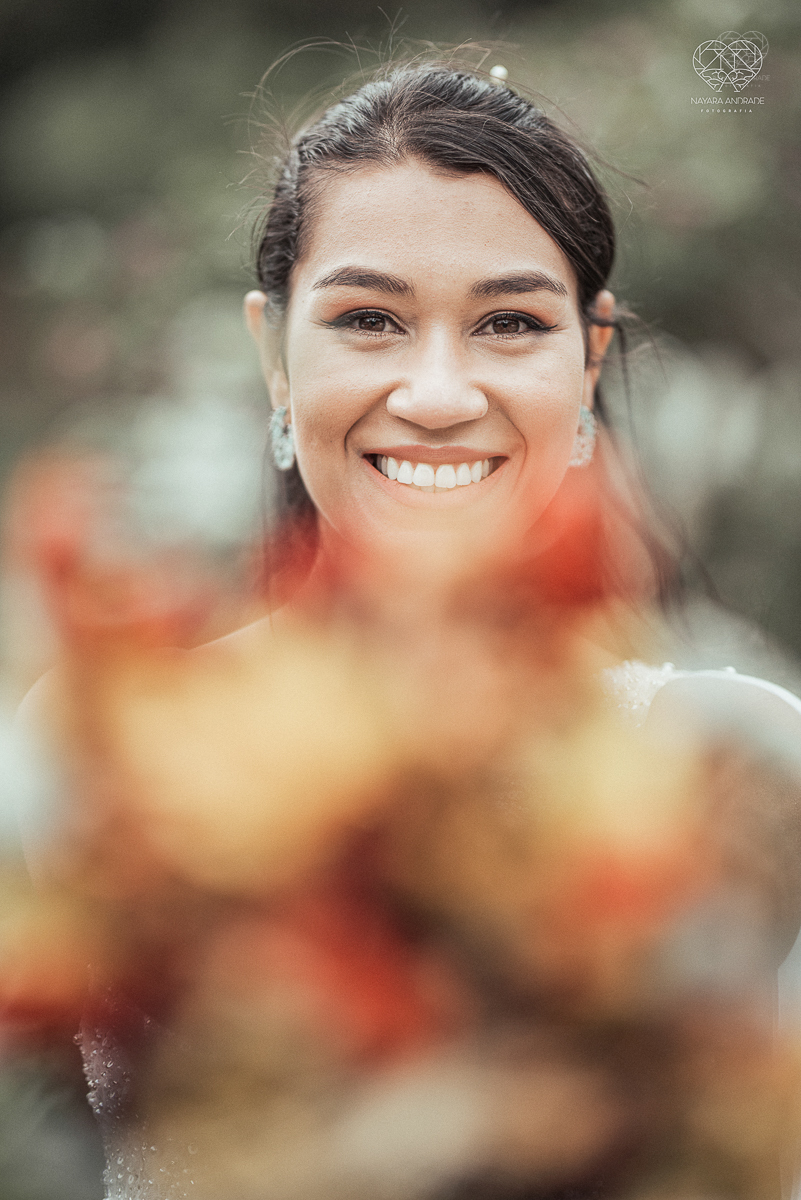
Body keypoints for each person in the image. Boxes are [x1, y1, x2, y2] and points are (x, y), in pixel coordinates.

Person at [11, 57, 801, 1200]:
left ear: (589, 360)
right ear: (277, 354)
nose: (437, 394)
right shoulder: (101, 759)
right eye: (371, 319)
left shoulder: (738, 762)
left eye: (510, 323)